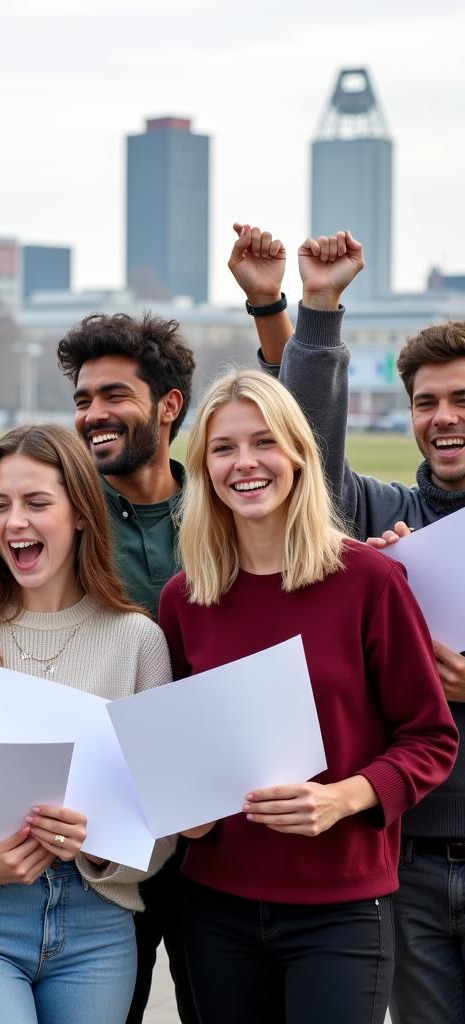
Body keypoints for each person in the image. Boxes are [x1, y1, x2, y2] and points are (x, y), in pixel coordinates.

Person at [158, 368, 458, 1023]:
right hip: (216, 907)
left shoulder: (371, 581)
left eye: (263, 442)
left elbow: (431, 738)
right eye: (223, 448)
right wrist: (185, 809)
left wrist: (343, 798)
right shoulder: (184, 601)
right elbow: (180, 753)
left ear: (297, 453)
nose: (245, 463)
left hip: (342, 911)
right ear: (204, 468)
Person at [230, 223, 465, 1024]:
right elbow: (308, 443)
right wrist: (318, 309)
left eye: (462, 399)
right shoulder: (382, 517)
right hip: (413, 858)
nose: (443, 418)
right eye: (426, 402)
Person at [0, 423, 175, 1024]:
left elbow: (162, 821)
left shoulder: (138, 641)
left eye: (37, 503)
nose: (14, 521)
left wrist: (97, 850)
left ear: (79, 515)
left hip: (97, 921)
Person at [55, 307, 233, 1024]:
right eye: (83, 400)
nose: (94, 414)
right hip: (105, 836)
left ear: (169, 407)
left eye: (113, 396)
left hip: (220, 835)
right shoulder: (59, 516)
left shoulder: (230, 507)